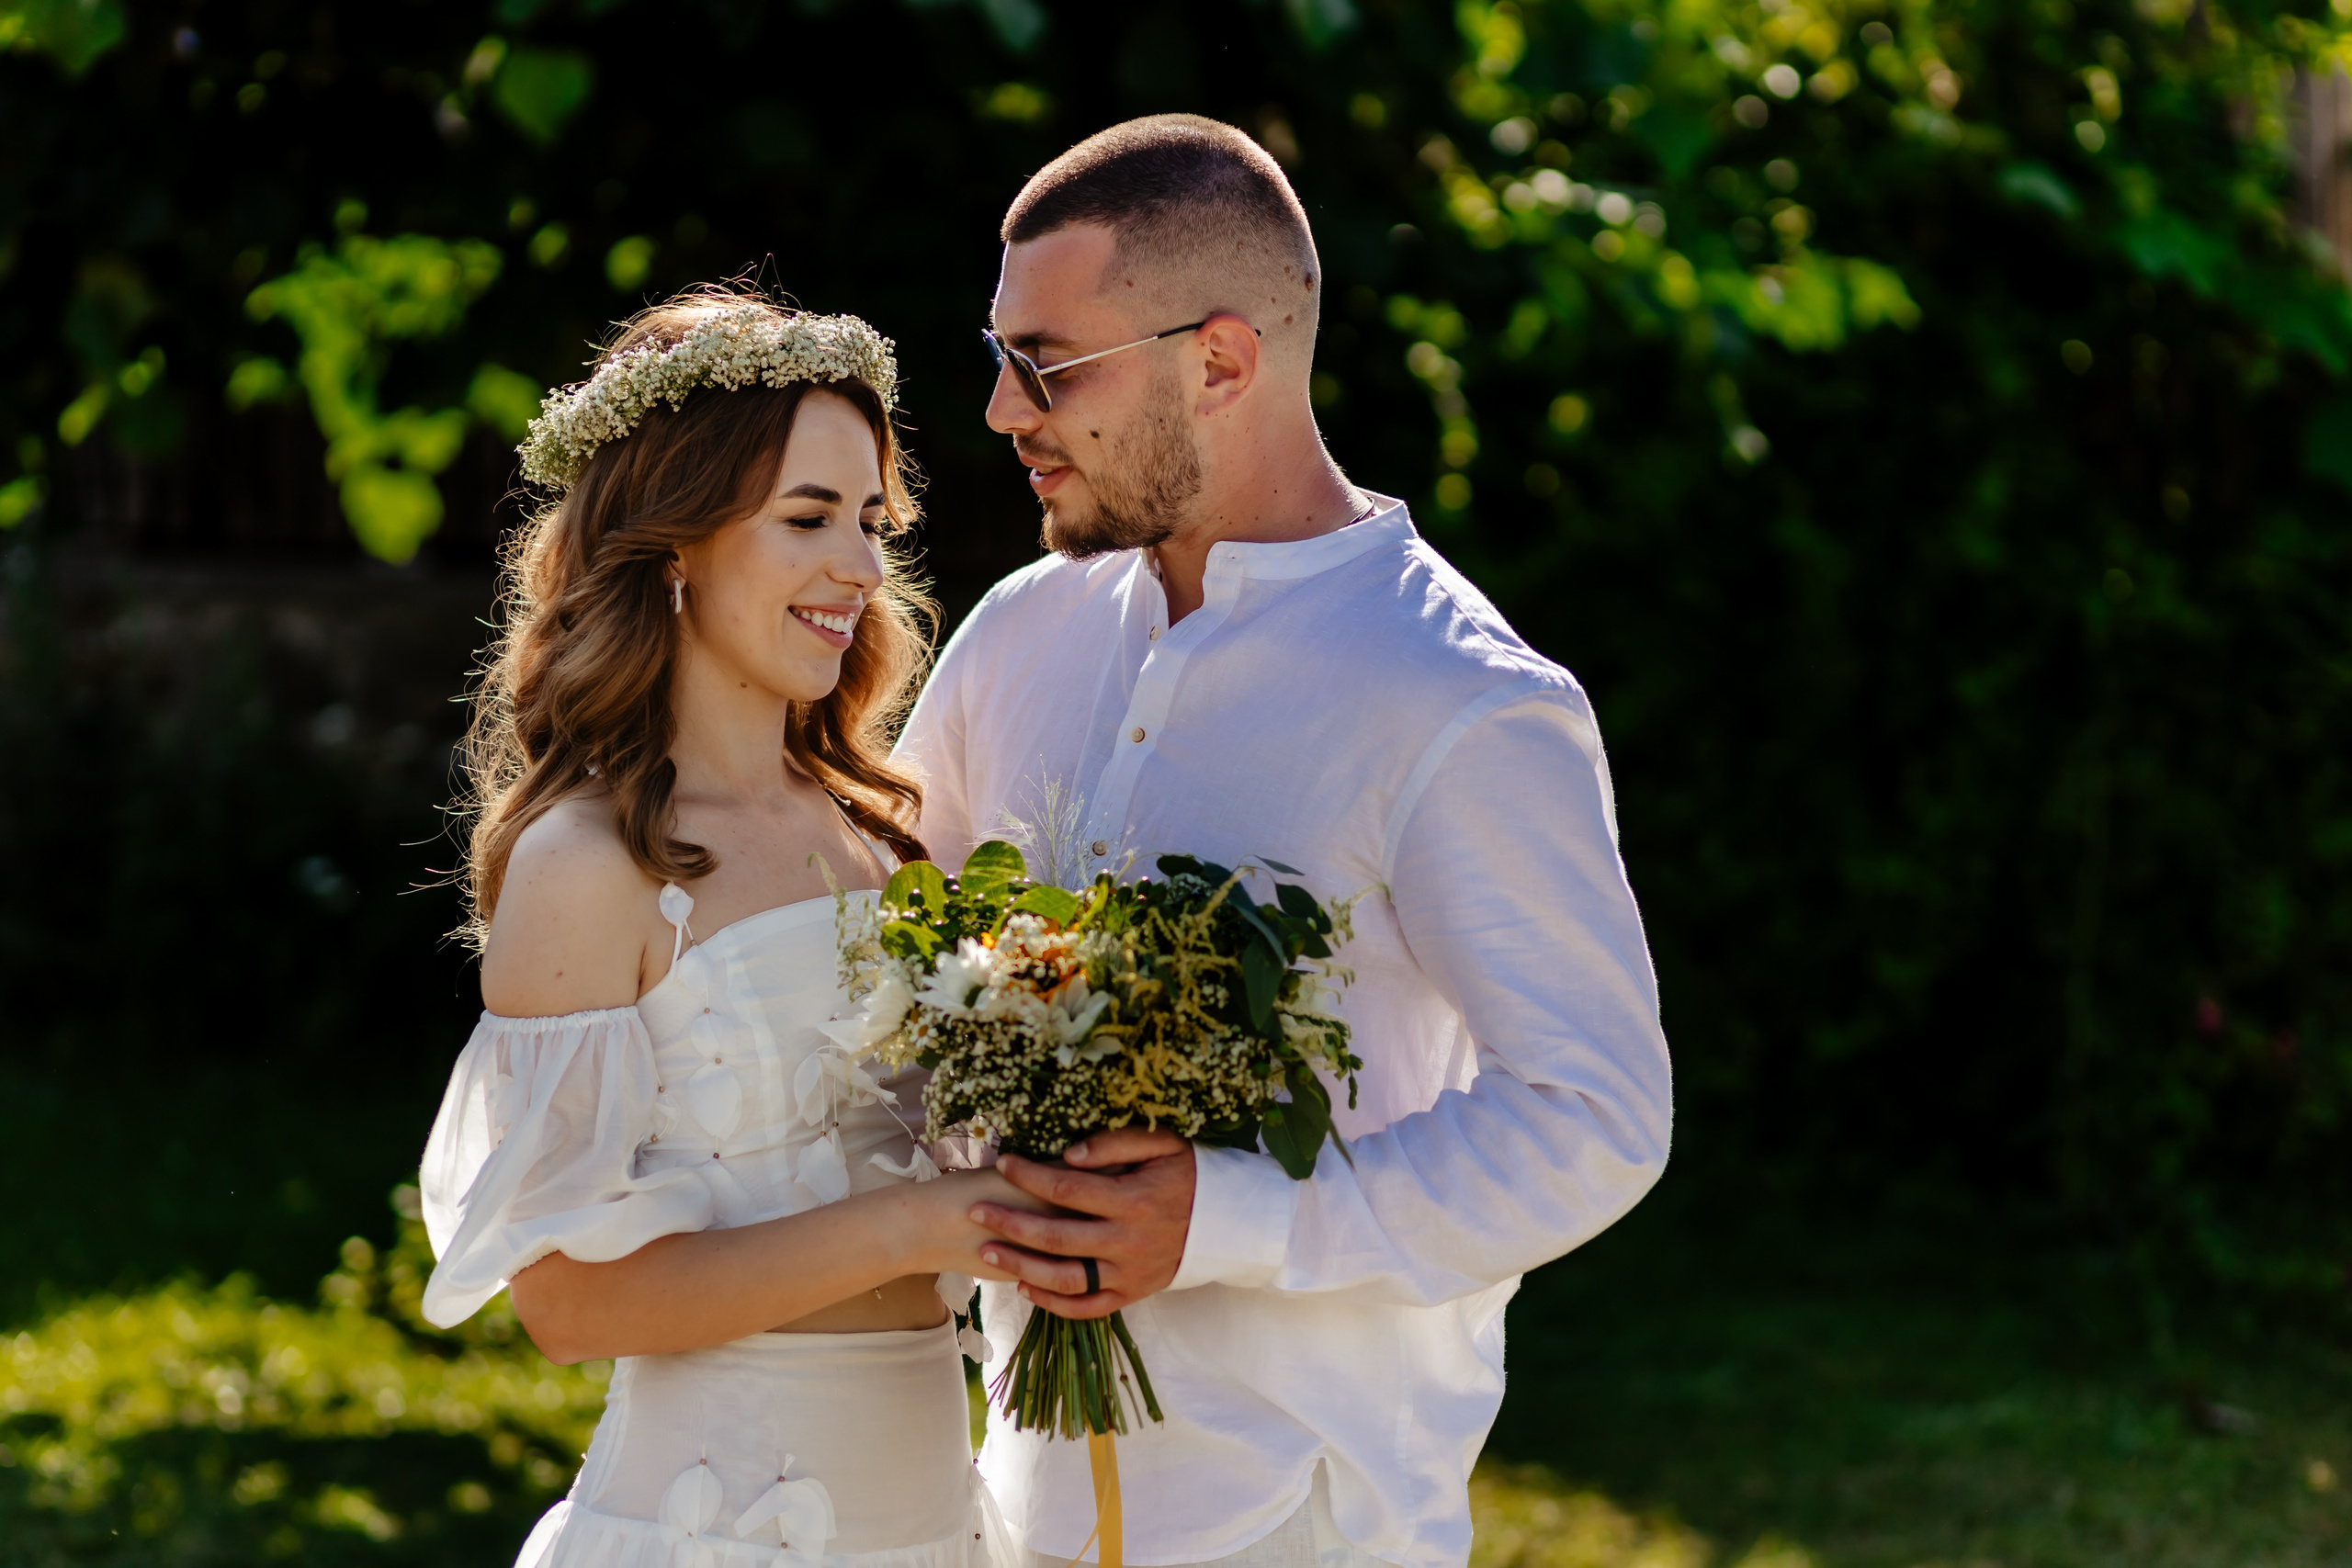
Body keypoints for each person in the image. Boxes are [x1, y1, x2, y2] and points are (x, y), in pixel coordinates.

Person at [897, 116, 1676, 1568]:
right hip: (1003, 1498)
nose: (1002, 411)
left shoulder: (1460, 699)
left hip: (1303, 1514)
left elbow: (1596, 1117)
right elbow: (880, 972)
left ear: (1219, 362)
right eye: (1000, 355)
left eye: (1047, 365)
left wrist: (1231, 1220)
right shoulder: (1017, 634)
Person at [419, 291, 1023, 1568]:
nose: (861, 568)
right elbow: (569, 1304)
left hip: (932, 1521)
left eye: (870, 522)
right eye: (807, 519)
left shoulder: (886, 835)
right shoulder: (590, 863)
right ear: (675, 544)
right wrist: (920, 1226)